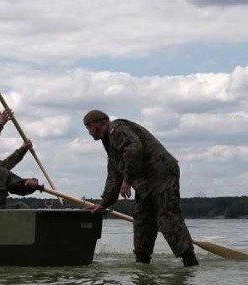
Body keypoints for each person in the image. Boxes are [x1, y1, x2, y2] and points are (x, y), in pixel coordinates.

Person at [83, 110, 198, 267]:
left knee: (167, 218)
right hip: (145, 184)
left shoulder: (117, 129)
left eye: (88, 128)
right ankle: (142, 264)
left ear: (95, 125)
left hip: (161, 175)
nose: (89, 133)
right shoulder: (109, 141)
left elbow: (134, 149)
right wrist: (104, 203)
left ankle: (190, 262)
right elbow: (114, 173)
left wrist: (128, 180)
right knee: (142, 221)